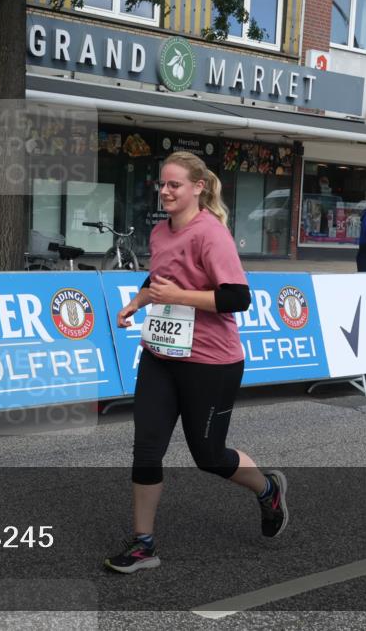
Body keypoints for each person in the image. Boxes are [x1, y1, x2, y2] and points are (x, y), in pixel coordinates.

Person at [104, 151, 288, 574]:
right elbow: (159, 278)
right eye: (162, 184)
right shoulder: (159, 233)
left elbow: (237, 297)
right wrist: (135, 302)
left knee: (208, 455)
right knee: (147, 448)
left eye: (175, 185)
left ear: (198, 188)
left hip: (211, 361)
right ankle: (143, 544)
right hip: (160, 355)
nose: (165, 192)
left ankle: (267, 490)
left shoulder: (211, 234)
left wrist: (178, 298)